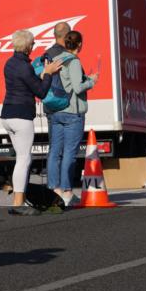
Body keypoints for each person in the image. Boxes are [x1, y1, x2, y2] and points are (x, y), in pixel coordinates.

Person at [0, 29, 63, 216]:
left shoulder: (10, 63)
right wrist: (48, 73)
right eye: (33, 43)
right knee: (24, 159)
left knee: (21, 158)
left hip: (7, 115)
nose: (34, 46)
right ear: (28, 46)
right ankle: (19, 203)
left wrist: (44, 73)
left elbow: (29, 84)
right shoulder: (24, 67)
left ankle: (18, 200)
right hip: (21, 116)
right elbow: (41, 92)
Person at [46, 30, 98, 208]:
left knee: (55, 151)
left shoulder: (57, 58)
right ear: (79, 44)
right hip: (71, 112)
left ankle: (54, 190)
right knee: (69, 152)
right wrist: (91, 81)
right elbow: (77, 87)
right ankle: (67, 191)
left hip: (56, 111)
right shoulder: (74, 61)